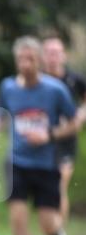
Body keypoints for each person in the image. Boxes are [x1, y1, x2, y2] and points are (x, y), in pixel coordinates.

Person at [0, 36, 77, 235]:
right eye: (20, 59)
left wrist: (50, 135)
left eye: (30, 59)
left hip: (46, 164)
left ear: (40, 61)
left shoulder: (55, 90)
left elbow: (74, 122)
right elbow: (0, 116)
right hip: (17, 162)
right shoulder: (8, 87)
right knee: (18, 219)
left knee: (47, 220)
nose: (25, 64)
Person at [41, 33, 86, 224]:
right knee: (45, 188)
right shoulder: (37, 81)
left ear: (63, 56)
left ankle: (58, 234)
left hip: (66, 139)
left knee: (59, 184)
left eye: (56, 53)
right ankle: (52, 229)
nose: (53, 57)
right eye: (49, 53)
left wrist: (82, 114)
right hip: (41, 139)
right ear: (42, 56)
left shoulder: (75, 80)